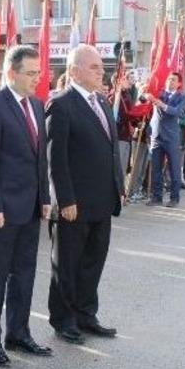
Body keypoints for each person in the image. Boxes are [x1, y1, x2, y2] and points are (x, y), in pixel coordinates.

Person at [0, 45, 52, 367]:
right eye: (31, 73)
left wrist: (45, 198)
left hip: (30, 207)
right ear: (11, 73)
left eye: (39, 73)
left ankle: (18, 333)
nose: (37, 79)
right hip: (3, 211)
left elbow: (40, 158)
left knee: (24, 274)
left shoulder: (37, 105)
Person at [46, 44, 123, 345]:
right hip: (74, 203)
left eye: (101, 67)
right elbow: (56, 158)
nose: (101, 72)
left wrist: (118, 187)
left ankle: (86, 314)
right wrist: (65, 199)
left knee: (93, 261)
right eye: (94, 67)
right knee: (67, 264)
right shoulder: (61, 104)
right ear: (74, 70)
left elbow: (110, 149)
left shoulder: (101, 101)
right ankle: (64, 319)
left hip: (102, 199)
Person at [146, 72, 185, 208]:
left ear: (179, 83)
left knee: (174, 169)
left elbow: (177, 112)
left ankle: (174, 198)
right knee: (156, 169)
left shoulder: (182, 97)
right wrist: (146, 95)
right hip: (157, 136)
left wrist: (162, 105)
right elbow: (144, 99)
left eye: (173, 80)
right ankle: (156, 197)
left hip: (171, 137)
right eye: (169, 79)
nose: (170, 81)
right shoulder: (159, 93)